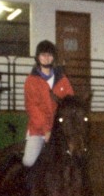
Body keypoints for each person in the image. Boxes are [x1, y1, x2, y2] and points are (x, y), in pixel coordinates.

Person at [23, 40, 74, 168]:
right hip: (39, 130)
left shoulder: (63, 79)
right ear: (38, 57)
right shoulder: (31, 81)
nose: (46, 58)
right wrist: (46, 129)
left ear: (53, 57)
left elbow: (70, 103)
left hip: (60, 129)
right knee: (29, 162)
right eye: (43, 55)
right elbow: (32, 108)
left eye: (49, 55)